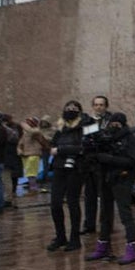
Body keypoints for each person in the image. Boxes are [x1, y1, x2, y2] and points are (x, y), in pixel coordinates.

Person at [86, 112, 135, 264]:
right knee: (105, 214)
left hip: (123, 179)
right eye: (112, 123)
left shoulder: (132, 139)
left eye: (117, 123)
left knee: (125, 214)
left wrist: (109, 159)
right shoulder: (106, 137)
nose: (114, 126)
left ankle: (132, 249)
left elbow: (131, 161)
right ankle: (102, 247)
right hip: (106, 177)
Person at [48, 101, 90, 250]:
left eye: (74, 108)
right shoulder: (60, 126)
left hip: (76, 168)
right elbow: (52, 145)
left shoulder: (87, 125)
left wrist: (61, 150)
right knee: (55, 203)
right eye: (68, 108)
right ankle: (60, 236)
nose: (70, 110)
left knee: (73, 202)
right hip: (59, 167)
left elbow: (84, 147)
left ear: (79, 110)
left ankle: (75, 238)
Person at [81, 95, 111, 235]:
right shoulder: (87, 120)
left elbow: (107, 137)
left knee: (105, 196)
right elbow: (85, 136)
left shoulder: (110, 120)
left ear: (106, 106)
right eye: (96, 105)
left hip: (104, 163)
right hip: (89, 163)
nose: (99, 107)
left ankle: (106, 224)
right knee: (90, 195)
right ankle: (89, 224)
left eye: (101, 105)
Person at [19, 117, 51, 195]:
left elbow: (31, 131)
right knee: (29, 174)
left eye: (29, 122)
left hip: (34, 154)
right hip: (25, 154)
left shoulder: (36, 131)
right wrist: (19, 150)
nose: (27, 123)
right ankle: (32, 188)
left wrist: (23, 125)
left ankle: (33, 189)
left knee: (32, 173)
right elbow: (21, 142)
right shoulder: (25, 133)